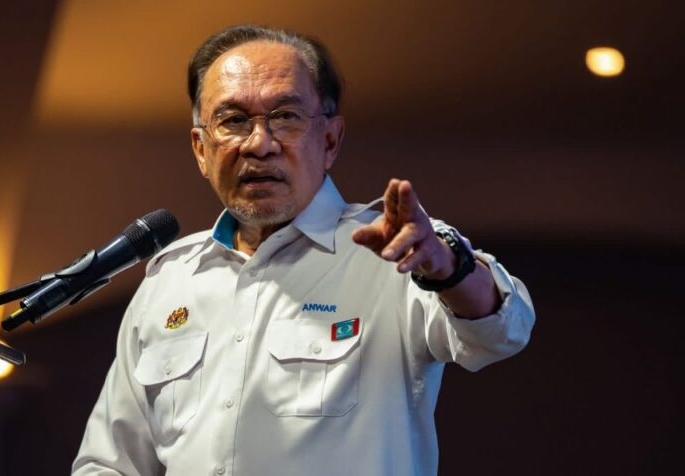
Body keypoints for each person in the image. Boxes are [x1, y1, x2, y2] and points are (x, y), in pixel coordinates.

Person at [72, 25, 535, 476]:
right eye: (233, 121)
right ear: (200, 149)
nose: (259, 144)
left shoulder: (402, 252)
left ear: (330, 140)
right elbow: (109, 462)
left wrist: (448, 269)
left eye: (286, 118)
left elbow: (502, 332)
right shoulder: (169, 279)